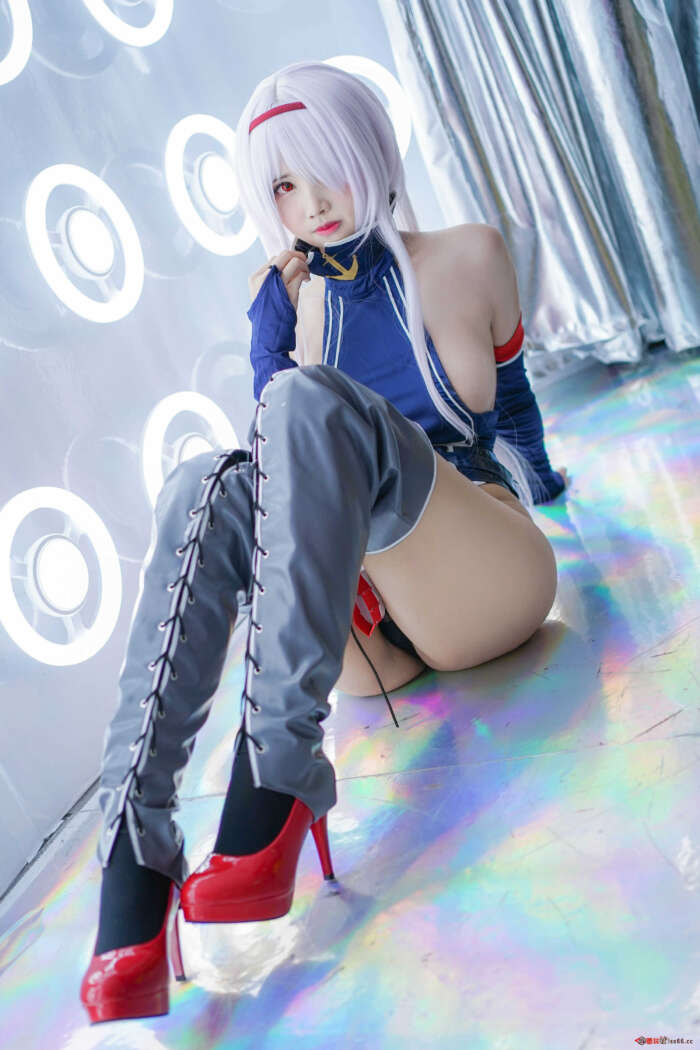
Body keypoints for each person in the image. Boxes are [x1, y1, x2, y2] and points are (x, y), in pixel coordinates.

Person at [80, 59, 566, 1024]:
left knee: (306, 402)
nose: (312, 203)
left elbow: (510, 400)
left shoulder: (469, 252)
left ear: (370, 148)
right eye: (282, 186)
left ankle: (272, 781)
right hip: (365, 627)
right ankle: (133, 859)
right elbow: (284, 484)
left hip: (480, 568)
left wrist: (546, 486)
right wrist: (268, 344)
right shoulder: (292, 299)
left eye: (326, 167)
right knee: (207, 480)